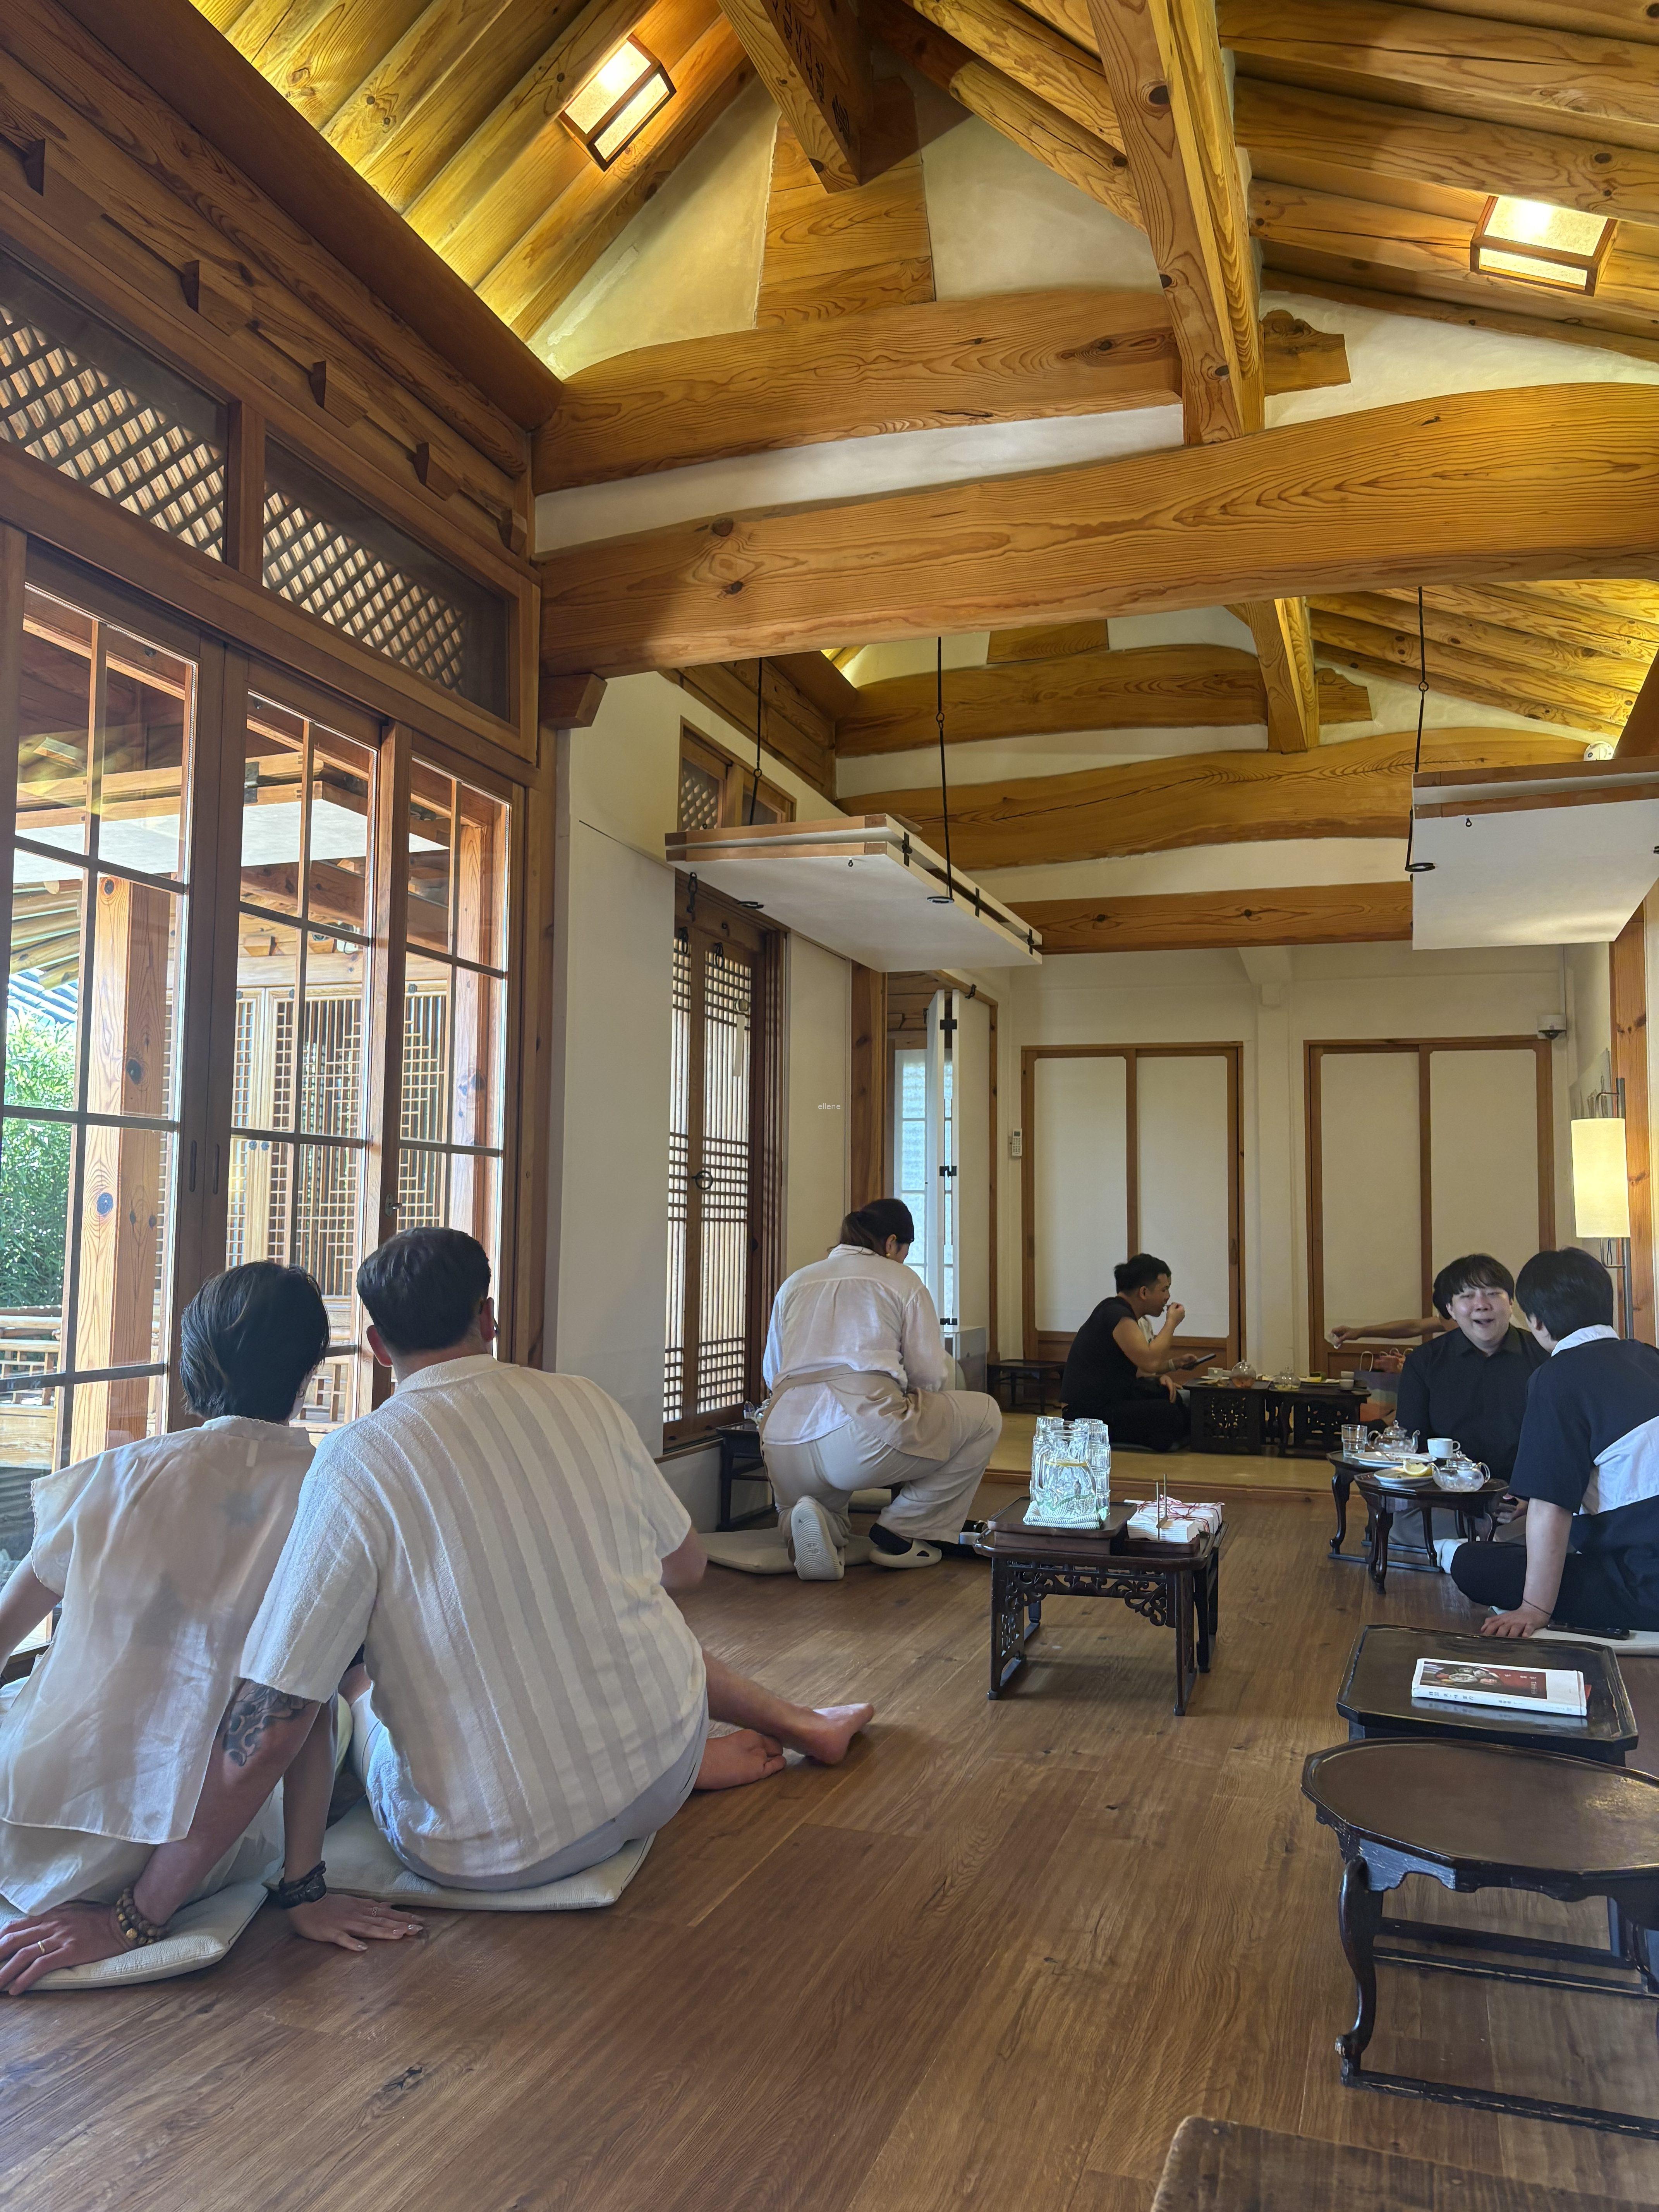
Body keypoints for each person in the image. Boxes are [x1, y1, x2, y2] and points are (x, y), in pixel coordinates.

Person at [0, 1230, 873, 1987]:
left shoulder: (329, 1464)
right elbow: (685, 1569)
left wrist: (137, 1919)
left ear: (377, 1346)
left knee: (345, 1682)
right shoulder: (580, 1400)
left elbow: (272, 1724)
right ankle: (781, 1728)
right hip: (659, 1770)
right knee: (587, 1615)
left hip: (485, 1846)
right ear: (487, 1319)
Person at [0, 1264, 419, 1981]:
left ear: (190, 1360)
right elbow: (296, 1718)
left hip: (25, 1831)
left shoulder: (114, 1473)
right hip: (186, 1857)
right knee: (321, 1695)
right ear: (308, 1371)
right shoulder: (326, 1497)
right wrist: (305, 1890)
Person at [759, 1199, 1002, 1581]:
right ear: (891, 1244)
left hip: (783, 1442)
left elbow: (772, 1371)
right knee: (985, 1415)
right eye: (905, 1250)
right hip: (861, 1438)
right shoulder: (900, 1280)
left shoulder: (796, 1282)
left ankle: (807, 1521)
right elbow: (930, 1375)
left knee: (816, 1506)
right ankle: (904, 1529)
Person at [1442, 1247, 1659, 1638]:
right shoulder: (1649, 1357)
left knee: (1472, 1564)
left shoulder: (1558, 1376)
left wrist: (1535, 1609)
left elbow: (1550, 1507)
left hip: (1646, 1582)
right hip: (1642, 1553)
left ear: (1536, 1321)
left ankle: (1452, 1552)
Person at [1391, 1254, 1548, 1482]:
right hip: (1445, 1491)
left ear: (1511, 1304)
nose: (1482, 1305)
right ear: (1451, 1309)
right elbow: (1412, 1444)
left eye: (1493, 1294)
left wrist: (1534, 1494)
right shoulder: (1424, 1362)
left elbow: (1560, 1438)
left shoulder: (1545, 1357)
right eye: (1467, 1296)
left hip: (1528, 1493)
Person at [1060, 1253, 1202, 1451]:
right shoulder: (1116, 1314)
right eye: (1164, 1290)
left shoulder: (1120, 1312)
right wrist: (1171, 1323)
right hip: (1086, 1414)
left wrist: (1168, 1370)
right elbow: (1150, 1363)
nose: (1168, 1297)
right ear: (1144, 1292)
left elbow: (1142, 1366)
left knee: (1171, 1398)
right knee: (1167, 1414)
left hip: (1113, 1399)